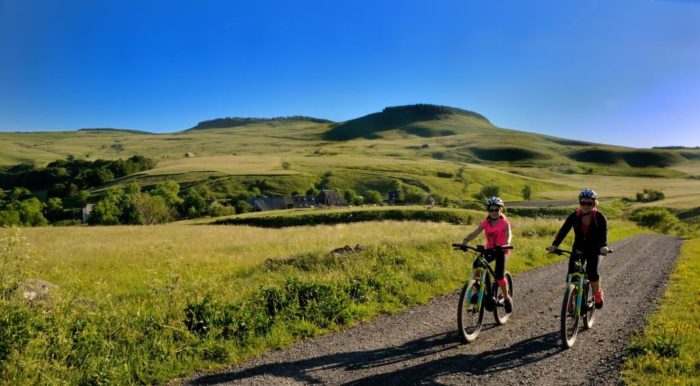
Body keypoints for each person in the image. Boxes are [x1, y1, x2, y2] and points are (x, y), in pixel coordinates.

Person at [547, 189, 610, 309]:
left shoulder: (599, 217)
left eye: (589, 203)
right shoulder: (575, 216)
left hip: (595, 248)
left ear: (594, 203)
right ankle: (569, 302)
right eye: (583, 203)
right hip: (579, 248)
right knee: (573, 275)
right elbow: (564, 230)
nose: (585, 206)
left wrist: (604, 246)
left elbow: (603, 233)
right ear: (580, 202)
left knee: (592, 273)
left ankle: (598, 294)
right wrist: (555, 245)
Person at [462, 196, 513, 313]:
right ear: (488, 211)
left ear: (501, 210)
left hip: (501, 250)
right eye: (491, 210)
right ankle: (481, 291)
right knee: (477, 265)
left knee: (499, 276)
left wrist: (507, 243)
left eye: (496, 210)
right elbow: (475, 232)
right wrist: (465, 241)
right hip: (490, 250)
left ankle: (506, 298)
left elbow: (508, 234)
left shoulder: (504, 223)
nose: (494, 212)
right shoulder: (486, 223)